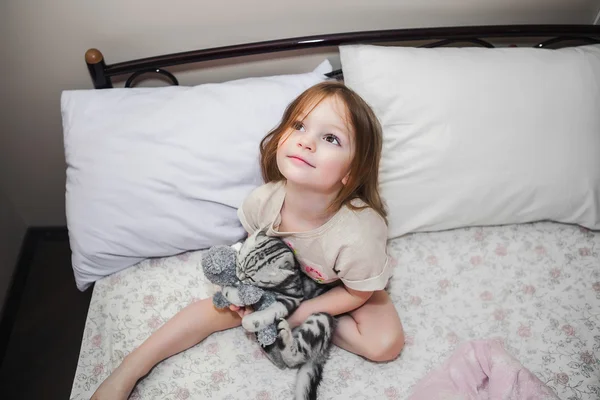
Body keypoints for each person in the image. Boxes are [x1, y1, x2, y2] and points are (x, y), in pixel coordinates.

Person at [91, 81, 404, 400]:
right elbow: (256, 250)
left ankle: (311, 319)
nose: (306, 142)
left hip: (344, 286)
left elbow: (357, 293)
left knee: (385, 345)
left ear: (350, 173)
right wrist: (249, 295)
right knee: (218, 307)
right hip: (287, 275)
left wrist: (298, 314)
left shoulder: (359, 233)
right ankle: (130, 368)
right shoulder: (263, 201)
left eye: (330, 138)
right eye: (299, 125)